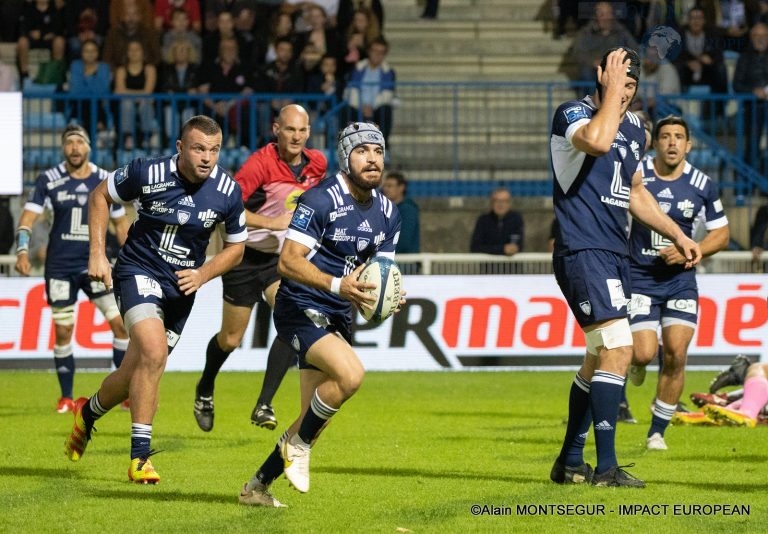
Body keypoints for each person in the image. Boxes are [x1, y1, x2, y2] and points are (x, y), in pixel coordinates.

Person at [64, 115, 247, 484]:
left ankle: (86, 414)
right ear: (180, 148)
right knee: (153, 352)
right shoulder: (147, 172)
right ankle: (140, 458)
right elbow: (101, 194)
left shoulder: (228, 190)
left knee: (134, 372)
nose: (207, 158)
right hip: (138, 271)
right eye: (198, 148)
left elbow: (238, 247)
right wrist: (97, 254)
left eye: (214, 149)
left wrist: (204, 274)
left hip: (182, 288)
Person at [549, 47, 701, 488]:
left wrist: (678, 233)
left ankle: (570, 462)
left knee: (598, 358)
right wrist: (612, 93)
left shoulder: (636, 128)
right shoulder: (572, 114)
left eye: (633, 81)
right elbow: (596, 140)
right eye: (619, 77)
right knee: (620, 347)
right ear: (600, 74)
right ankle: (607, 469)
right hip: (582, 249)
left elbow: (636, 192)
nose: (627, 87)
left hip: (616, 254)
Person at [238, 122, 402, 507]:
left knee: (315, 419)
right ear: (346, 157)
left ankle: (256, 487)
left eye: (378, 151)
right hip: (299, 305)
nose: (373, 159)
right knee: (351, 375)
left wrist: (389, 296)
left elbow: (377, 277)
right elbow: (287, 262)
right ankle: (297, 447)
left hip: (338, 313)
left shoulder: (390, 213)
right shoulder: (320, 200)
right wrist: (337, 285)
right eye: (362, 151)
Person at [193, 104, 327, 433]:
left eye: (301, 130)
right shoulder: (259, 164)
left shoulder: (318, 164)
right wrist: (271, 222)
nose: (296, 136)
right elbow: (230, 207)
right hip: (244, 256)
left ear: (308, 132)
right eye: (289, 129)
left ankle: (264, 404)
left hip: (279, 260)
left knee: (291, 318)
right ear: (276, 130)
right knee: (230, 338)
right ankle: (205, 388)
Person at [625, 115, 730, 451]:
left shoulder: (702, 184)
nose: (672, 142)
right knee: (642, 353)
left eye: (679, 137)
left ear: (689, 144)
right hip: (640, 277)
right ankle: (635, 365)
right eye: (665, 136)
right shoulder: (636, 175)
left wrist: (693, 249)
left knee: (675, 354)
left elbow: (722, 233)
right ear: (655, 142)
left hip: (680, 282)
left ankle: (657, 431)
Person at [14, 125, 131, 413]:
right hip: (60, 267)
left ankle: (125, 393)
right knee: (64, 331)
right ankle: (66, 397)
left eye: (80, 142)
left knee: (120, 325)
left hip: (96, 264)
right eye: (69, 143)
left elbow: (120, 224)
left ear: (88, 147)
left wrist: (131, 256)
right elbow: (28, 217)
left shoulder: (104, 178)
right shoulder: (49, 180)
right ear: (63, 148)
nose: (75, 148)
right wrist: (22, 249)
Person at [571, 2, 638, 94]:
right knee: (586, 73)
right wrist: (593, 62)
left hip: (615, 67)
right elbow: (577, 53)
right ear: (595, 16)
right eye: (601, 14)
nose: (605, 18)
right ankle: (592, 105)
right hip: (593, 69)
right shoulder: (586, 32)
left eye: (608, 13)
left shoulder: (621, 31)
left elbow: (634, 49)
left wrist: (619, 61)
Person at [343, 37, 395, 143]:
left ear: (384, 55)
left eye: (381, 52)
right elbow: (351, 90)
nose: (377, 55)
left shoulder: (388, 72)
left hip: (376, 109)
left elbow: (387, 94)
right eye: (374, 51)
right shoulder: (358, 68)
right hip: (358, 107)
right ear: (369, 52)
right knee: (345, 110)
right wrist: (362, 107)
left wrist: (371, 108)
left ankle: (383, 148)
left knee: (385, 110)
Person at [733, 22, 768, 174]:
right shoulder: (744, 58)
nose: (759, 39)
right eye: (755, 35)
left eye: (763, 36)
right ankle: (750, 184)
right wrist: (753, 92)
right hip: (752, 109)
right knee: (752, 145)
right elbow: (737, 85)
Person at [16, 0, 66, 82]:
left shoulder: (54, 9)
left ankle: (58, 73)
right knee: (22, 41)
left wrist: (43, 33)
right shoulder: (28, 9)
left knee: (59, 41)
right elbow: (23, 27)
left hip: (49, 40)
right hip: (32, 39)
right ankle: (24, 74)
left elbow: (59, 28)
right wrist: (31, 34)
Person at [469, 188, 523, 256]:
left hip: (511, 266)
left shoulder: (516, 219)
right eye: (497, 201)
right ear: (491, 203)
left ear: (509, 203)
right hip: (489, 266)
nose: (500, 204)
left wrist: (512, 249)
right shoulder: (483, 220)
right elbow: (475, 248)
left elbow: (518, 246)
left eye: (504, 201)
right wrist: (502, 249)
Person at [381, 171, 420, 253]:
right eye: (385, 186)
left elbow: (404, 239)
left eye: (390, 186)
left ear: (401, 187)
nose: (386, 189)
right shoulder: (384, 209)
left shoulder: (408, 210)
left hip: (405, 262)